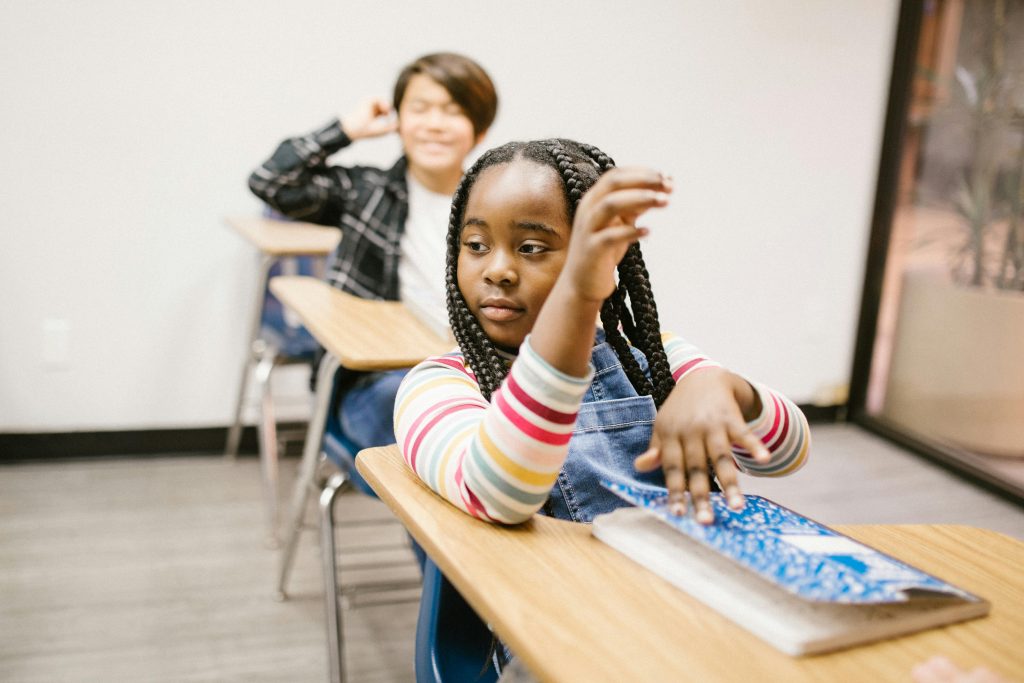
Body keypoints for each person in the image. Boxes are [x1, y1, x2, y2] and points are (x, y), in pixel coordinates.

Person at [394, 137, 809, 528]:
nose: (497, 270)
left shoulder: (652, 358)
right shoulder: (435, 385)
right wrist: (575, 294)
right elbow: (496, 495)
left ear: (605, 258)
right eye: (477, 245)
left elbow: (785, 455)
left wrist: (727, 389)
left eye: (531, 248)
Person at [248, 52, 498, 453]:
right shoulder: (366, 192)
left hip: (476, 372)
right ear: (399, 120)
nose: (435, 123)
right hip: (378, 377)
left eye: (453, 111)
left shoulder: (498, 205)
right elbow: (271, 180)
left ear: (480, 130)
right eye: (420, 108)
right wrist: (346, 129)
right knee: (447, 438)